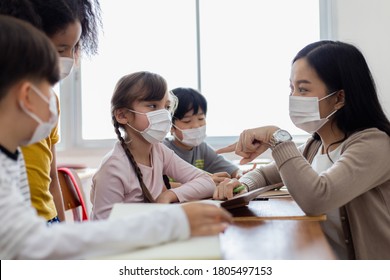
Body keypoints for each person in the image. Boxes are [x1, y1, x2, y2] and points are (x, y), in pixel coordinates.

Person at [0, 15, 232, 259]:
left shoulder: (11, 157)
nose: (54, 98)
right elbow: (32, 244)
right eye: (49, 86)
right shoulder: (114, 165)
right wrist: (174, 222)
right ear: (27, 96)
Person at [214, 40, 390, 260]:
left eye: (303, 89)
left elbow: (318, 198)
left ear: (339, 98)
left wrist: (276, 137)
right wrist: (240, 185)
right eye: (292, 88)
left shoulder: (374, 144)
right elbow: (265, 173)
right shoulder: (315, 145)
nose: (293, 97)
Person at [0, 0, 101, 223]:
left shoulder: (49, 101)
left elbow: (51, 177)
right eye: (60, 49)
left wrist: (62, 227)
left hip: (47, 219)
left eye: (74, 48)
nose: (68, 59)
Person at [90, 73, 218, 220]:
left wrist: (168, 195)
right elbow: (105, 228)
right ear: (123, 115)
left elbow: (206, 182)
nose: (164, 114)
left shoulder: (158, 150)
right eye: (152, 106)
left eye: (166, 107)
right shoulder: (113, 167)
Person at [163, 87, 241, 187]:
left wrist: (242, 175)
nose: (196, 125)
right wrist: (203, 184)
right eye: (187, 121)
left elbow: (233, 170)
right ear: (170, 125)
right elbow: (160, 186)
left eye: (201, 118)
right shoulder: (163, 149)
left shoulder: (202, 148)